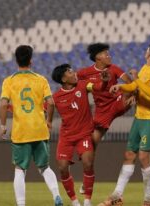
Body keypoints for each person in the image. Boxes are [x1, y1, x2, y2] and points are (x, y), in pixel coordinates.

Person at [98, 41, 150, 206]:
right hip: (139, 118)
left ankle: (149, 199)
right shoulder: (144, 68)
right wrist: (121, 87)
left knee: (143, 157)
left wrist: (136, 79)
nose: (145, 50)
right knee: (129, 155)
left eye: (147, 49)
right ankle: (117, 195)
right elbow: (136, 86)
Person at [0, 45, 63, 206]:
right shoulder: (41, 79)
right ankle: (56, 195)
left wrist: (3, 125)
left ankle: (21, 204)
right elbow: (51, 103)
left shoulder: (9, 81)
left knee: (20, 169)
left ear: (16, 60)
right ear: (31, 61)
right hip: (39, 130)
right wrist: (48, 120)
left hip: (21, 132)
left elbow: (3, 104)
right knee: (45, 167)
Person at [51, 64, 109, 206]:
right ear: (64, 79)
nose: (74, 72)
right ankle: (75, 202)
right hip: (66, 137)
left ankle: (87, 201)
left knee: (88, 164)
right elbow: (44, 108)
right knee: (63, 168)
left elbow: (97, 87)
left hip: (84, 134)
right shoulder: (56, 97)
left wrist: (105, 82)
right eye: (70, 72)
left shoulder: (83, 85)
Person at [77, 43, 134, 148]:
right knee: (92, 143)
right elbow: (73, 82)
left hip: (117, 101)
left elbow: (130, 83)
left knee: (128, 89)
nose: (109, 56)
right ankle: (88, 162)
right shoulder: (84, 73)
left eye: (108, 53)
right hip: (102, 109)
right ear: (98, 57)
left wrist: (132, 95)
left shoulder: (114, 68)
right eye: (106, 54)